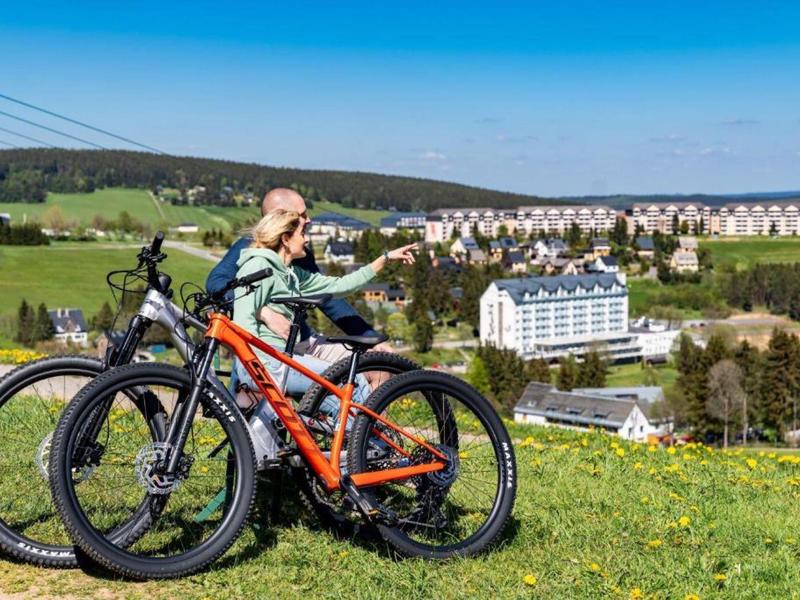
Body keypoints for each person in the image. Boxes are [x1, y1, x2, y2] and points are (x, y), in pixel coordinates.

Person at [232, 209, 416, 407]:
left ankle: (358, 434)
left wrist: (384, 259)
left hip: (283, 356)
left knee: (356, 381)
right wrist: (260, 364)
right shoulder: (258, 266)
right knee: (354, 384)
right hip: (267, 361)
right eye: (302, 233)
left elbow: (340, 285)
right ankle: (364, 436)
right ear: (285, 238)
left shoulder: (291, 274)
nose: (307, 239)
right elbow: (243, 323)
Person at [206, 188, 393, 365]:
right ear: (280, 218)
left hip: (301, 341)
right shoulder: (250, 249)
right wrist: (264, 312)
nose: (309, 219)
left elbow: (328, 298)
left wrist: (370, 339)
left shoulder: (301, 254)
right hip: (268, 348)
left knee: (377, 366)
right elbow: (216, 283)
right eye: (302, 215)